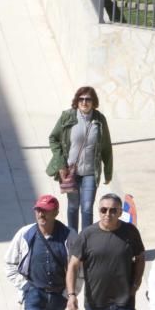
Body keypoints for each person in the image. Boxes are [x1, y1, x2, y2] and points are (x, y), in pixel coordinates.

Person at [47, 86, 113, 233]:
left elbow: (106, 147)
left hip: (90, 172)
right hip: (70, 171)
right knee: (73, 206)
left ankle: (86, 241)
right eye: (81, 99)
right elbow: (53, 138)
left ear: (93, 102)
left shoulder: (100, 120)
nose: (84, 102)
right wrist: (61, 164)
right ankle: (72, 240)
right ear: (77, 101)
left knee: (87, 207)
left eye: (88, 99)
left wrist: (108, 173)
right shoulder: (68, 116)